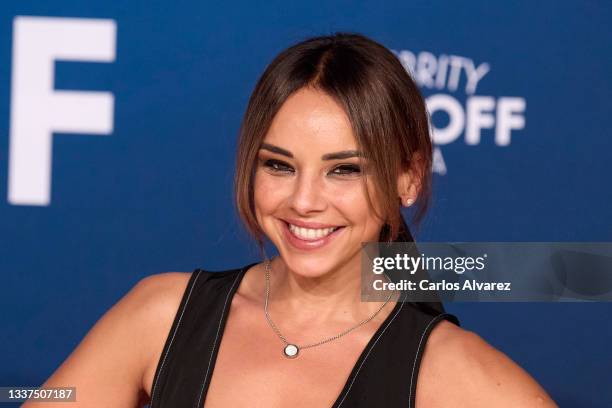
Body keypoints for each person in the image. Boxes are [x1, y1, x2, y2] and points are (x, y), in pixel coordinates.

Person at [28, 32, 557, 407]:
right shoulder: (160, 316)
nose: (304, 201)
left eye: (344, 170)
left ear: (409, 177)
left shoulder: (454, 374)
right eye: (279, 164)